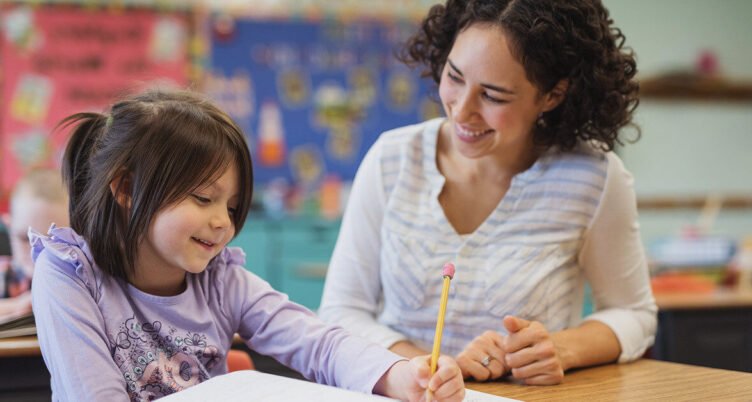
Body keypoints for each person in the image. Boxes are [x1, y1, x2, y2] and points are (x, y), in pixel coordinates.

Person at [30, 89, 464, 401]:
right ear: (125, 188)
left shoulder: (220, 280)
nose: (223, 223)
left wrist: (399, 374)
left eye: (234, 206)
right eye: (203, 198)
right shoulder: (69, 275)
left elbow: (317, 342)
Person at [319, 0, 657, 386]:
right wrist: (429, 366)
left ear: (552, 95)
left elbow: (634, 313)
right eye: (455, 76)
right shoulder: (392, 159)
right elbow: (341, 311)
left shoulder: (593, 178)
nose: (462, 111)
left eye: (493, 96)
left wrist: (562, 348)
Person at [0, 169, 69, 317]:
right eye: (25, 238)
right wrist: (16, 306)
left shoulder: (78, 277)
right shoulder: (4, 273)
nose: (35, 251)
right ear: (8, 226)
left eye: (52, 241)